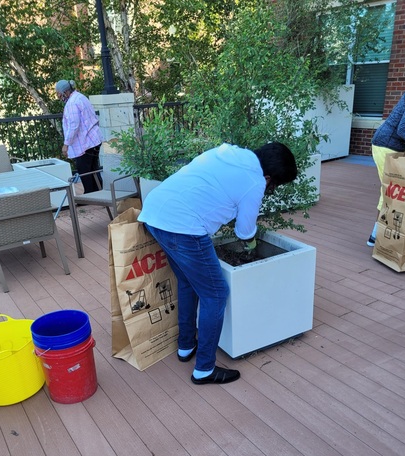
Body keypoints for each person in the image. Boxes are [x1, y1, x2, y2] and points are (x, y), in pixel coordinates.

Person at [138, 141, 298, 385]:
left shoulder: (229, 152)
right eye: (274, 185)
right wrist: (252, 247)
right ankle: (204, 368)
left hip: (154, 213)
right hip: (184, 227)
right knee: (216, 294)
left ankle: (185, 345)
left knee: (187, 281)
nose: (271, 189)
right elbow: (244, 232)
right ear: (269, 176)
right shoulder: (255, 182)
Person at [368, 88, 405, 246]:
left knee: (390, 191)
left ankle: (376, 237)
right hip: (386, 145)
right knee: (391, 192)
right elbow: (403, 129)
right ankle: (381, 239)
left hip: (391, 145)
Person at [55, 79, 104, 194]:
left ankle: (90, 195)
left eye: (58, 93)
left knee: (85, 171)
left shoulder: (72, 103)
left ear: (65, 92)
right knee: (93, 169)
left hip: (85, 143)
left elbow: (74, 125)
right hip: (94, 139)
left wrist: (66, 144)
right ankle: (99, 193)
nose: (58, 96)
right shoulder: (80, 97)